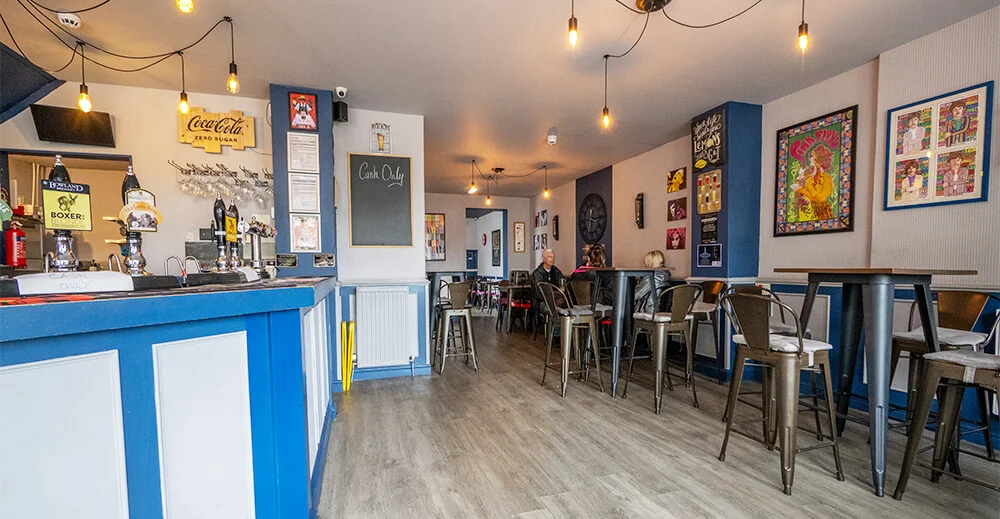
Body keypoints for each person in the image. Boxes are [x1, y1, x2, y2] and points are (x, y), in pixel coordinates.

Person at [793, 144, 835, 221]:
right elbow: (802, 186)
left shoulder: (826, 179)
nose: (810, 166)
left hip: (817, 211)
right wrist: (800, 177)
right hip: (806, 210)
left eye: (813, 163)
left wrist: (800, 189)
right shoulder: (809, 175)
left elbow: (817, 197)